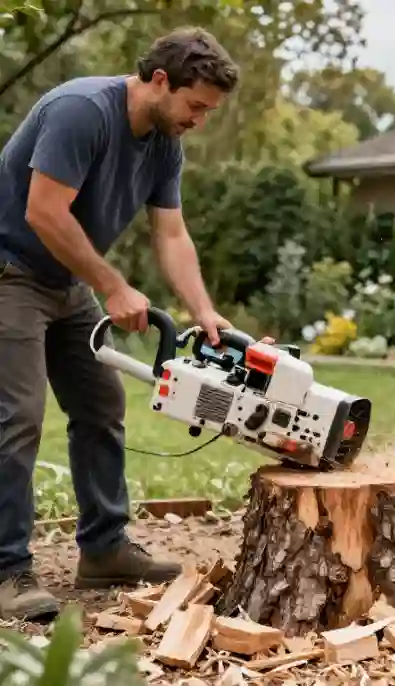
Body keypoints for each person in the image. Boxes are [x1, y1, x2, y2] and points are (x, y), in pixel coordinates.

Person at [0, 27, 241, 620]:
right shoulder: (81, 112)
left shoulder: (164, 142)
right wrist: (112, 285)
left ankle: (104, 549)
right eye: (195, 106)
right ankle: (6, 570)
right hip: (9, 272)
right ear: (160, 80)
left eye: (209, 110)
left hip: (63, 284)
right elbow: (43, 211)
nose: (199, 120)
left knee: (101, 406)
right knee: (18, 416)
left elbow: (172, 233)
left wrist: (203, 310)